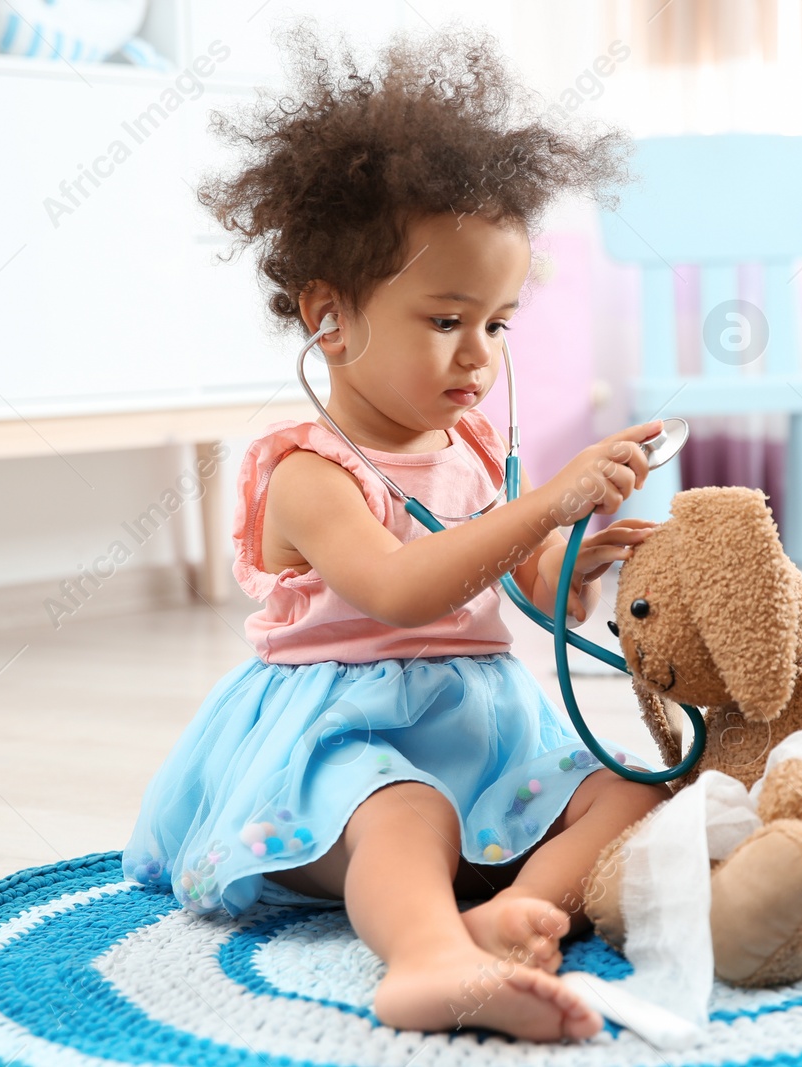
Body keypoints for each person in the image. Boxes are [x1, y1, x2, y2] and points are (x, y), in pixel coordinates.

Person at [121, 19, 674, 1043]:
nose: (478, 355)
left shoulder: (465, 446)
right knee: (403, 812)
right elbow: (402, 587)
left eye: (497, 323)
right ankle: (423, 959)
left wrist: (573, 564)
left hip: (474, 726)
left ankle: (518, 909)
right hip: (341, 744)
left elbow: (517, 580)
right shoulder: (305, 471)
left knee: (632, 787)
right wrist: (542, 504)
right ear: (329, 318)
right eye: (445, 318)